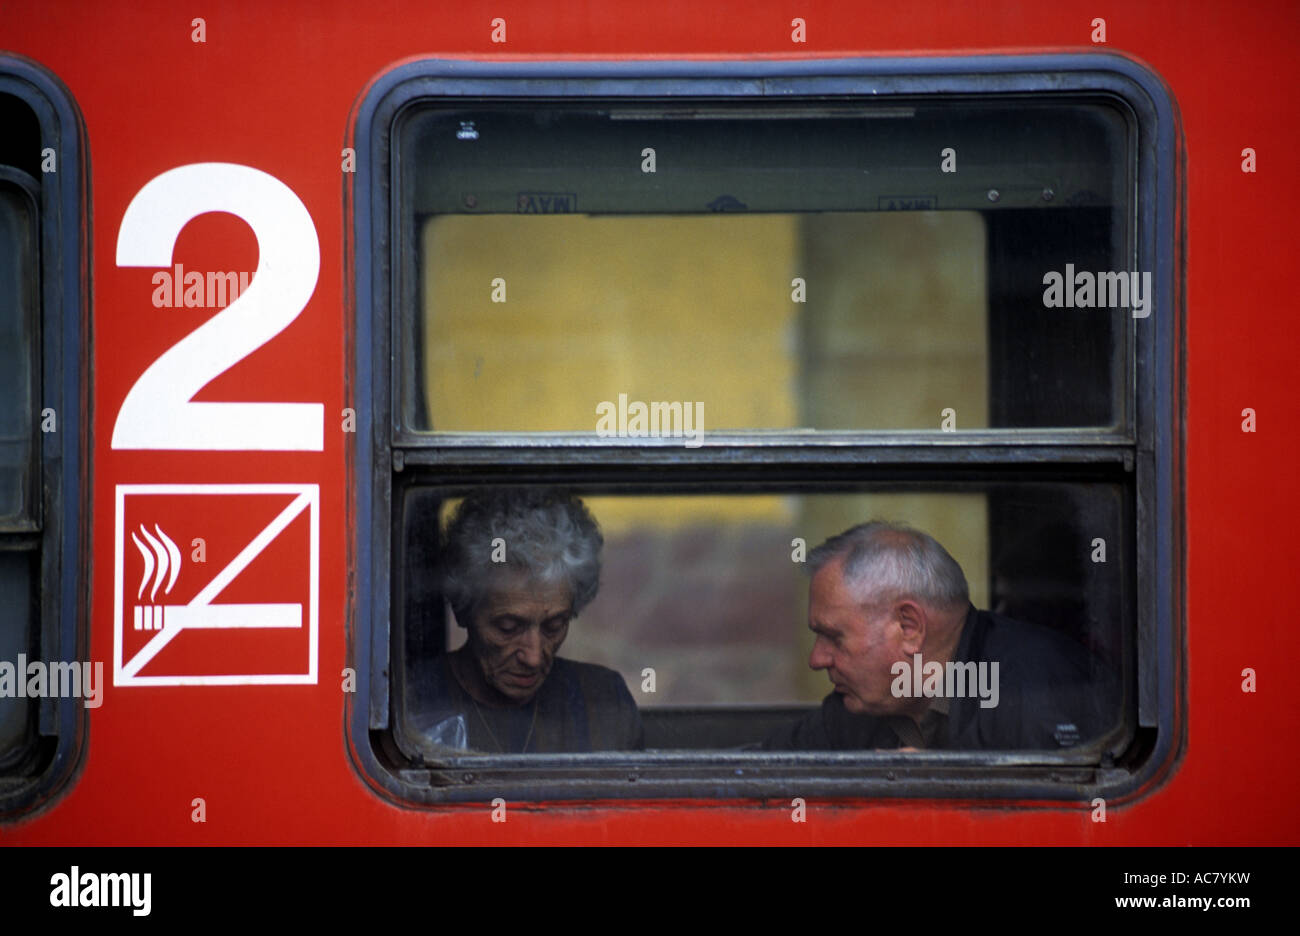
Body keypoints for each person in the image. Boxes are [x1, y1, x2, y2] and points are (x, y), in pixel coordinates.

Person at [765, 521, 1117, 751]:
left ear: (909, 627)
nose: (817, 659)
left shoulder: (1035, 699)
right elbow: (755, 774)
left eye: (833, 637)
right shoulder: (864, 707)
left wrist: (951, 794)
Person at [422, 487, 644, 754]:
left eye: (554, 626)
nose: (534, 657)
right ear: (462, 609)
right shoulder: (413, 700)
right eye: (508, 628)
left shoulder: (603, 699)